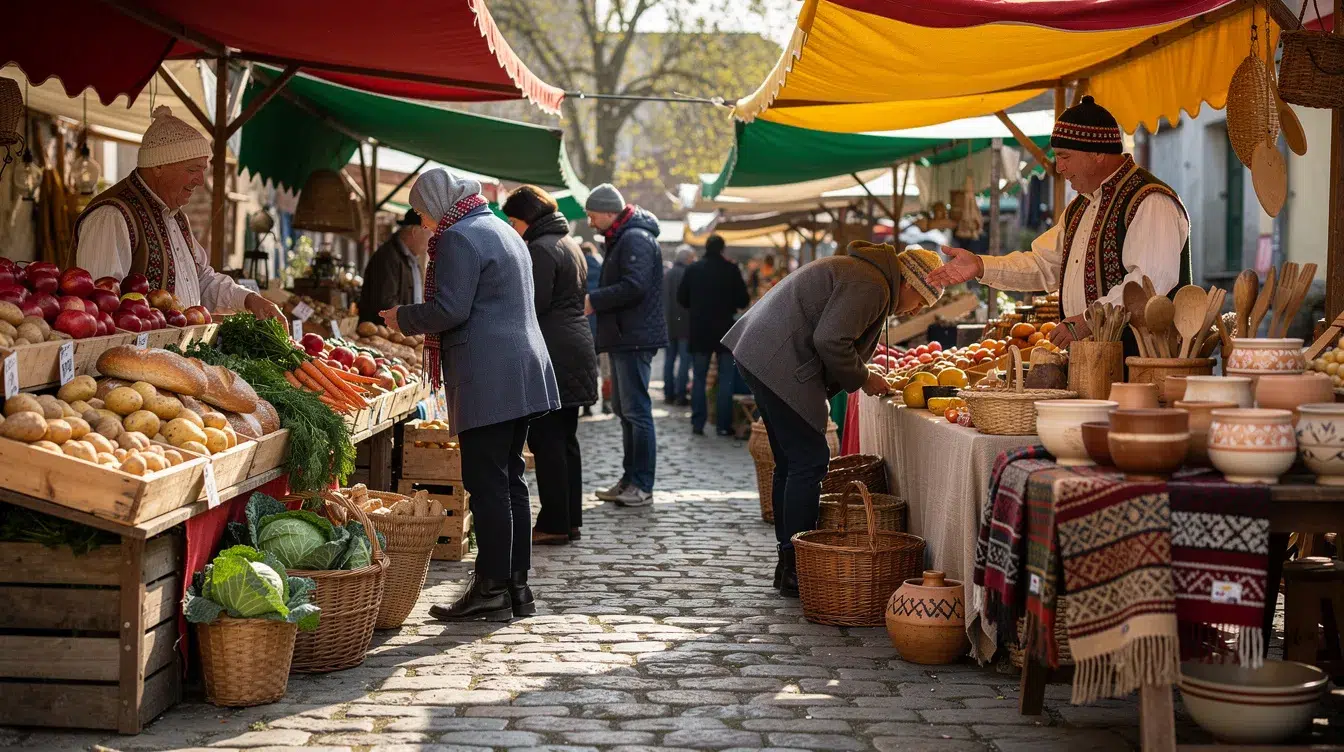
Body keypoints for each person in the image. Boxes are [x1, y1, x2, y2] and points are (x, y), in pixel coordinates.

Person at [380, 169, 560, 622]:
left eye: (422, 210)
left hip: (490, 373)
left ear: (439, 202)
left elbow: (450, 309)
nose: (421, 221)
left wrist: (402, 316)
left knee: (486, 485)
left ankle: (491, 588)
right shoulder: (499, 227)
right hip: (520, 367)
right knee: (509, 479)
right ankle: (516, 586)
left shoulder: (460, 236)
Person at [724, 242, 944, 597]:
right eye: (920, 301)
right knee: (809, 463)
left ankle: (789, 564)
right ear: (910, 284)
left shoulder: (866, 275)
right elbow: (830, 340)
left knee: (792, 464)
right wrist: (864, 377)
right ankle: (796, 566)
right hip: (777, 360)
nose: (914, 310)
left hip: (762, 351)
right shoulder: (872, 284)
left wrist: (859, 373)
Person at [928, 96, 1191, 350]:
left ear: (1098, 153)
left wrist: (1088, 320)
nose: (1059, 167)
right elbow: (1044, 265)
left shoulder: (1149, 200)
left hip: (1142, 367)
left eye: (1065, 157)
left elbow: (1149, 283)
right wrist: (980, 266)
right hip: (1092, 363)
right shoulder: (1081, 206)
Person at [74, 106, 283, 321]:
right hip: (133, 352)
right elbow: (101, 305)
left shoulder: (175, 217)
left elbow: (200, 279)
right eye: (193, 170)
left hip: (171, 351)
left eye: (203, 170)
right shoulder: (112, 216)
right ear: (159, 167)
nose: (200, 181)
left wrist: (250, 299)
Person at [500, 185, 597, 547]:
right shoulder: (567, 243)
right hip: (574, 348)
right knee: (565, 441)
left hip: (554, 352)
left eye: (513, 221)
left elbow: (532, 306)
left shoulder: (540, 249)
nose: (512, 228)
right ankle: (569, 519)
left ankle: (555, 521)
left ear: (528, 218)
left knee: (548, 440)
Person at [583, 183, 667, 508]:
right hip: (626, 335)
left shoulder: (634, 237)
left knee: (636, 411)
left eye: (592, 216)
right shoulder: (625, 236)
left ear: (607, 212)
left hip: (634, 337)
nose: (590, 222)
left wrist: (594, 300)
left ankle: (642, 485)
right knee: (625, 410)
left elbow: (635, 285)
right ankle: (630, 479)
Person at [678, 234, 749, 437]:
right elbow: (743, 300)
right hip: (726, 330)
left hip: (699, 329)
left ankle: (698, 423)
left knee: (699, 377)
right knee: (725, 377)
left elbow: (681, 298)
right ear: (722, 249)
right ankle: (723, 425)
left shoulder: (693, 269)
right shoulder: (731, 269)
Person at [357, 209, 431, 323]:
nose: (432, 239)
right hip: (382, 335)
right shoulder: (387, 257)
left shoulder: (413, 260)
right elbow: (385, 304)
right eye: (430, 232)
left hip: (403, 335)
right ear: (415, 232)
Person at [662, 245, 694, 405]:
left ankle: (668, 393)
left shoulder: (667, 275)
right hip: (685, 325)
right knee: (684, 361)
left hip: (668, 324)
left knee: (669, 360)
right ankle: (681, 395)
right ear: (687, 258)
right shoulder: (687, 274)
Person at [581, 241, 607, 417]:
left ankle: (586, 405)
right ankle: (602, 401)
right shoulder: (601, 268)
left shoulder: (578, 268)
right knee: (600, 367)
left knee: (583, 365)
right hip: (599, 323)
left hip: (580, 323)